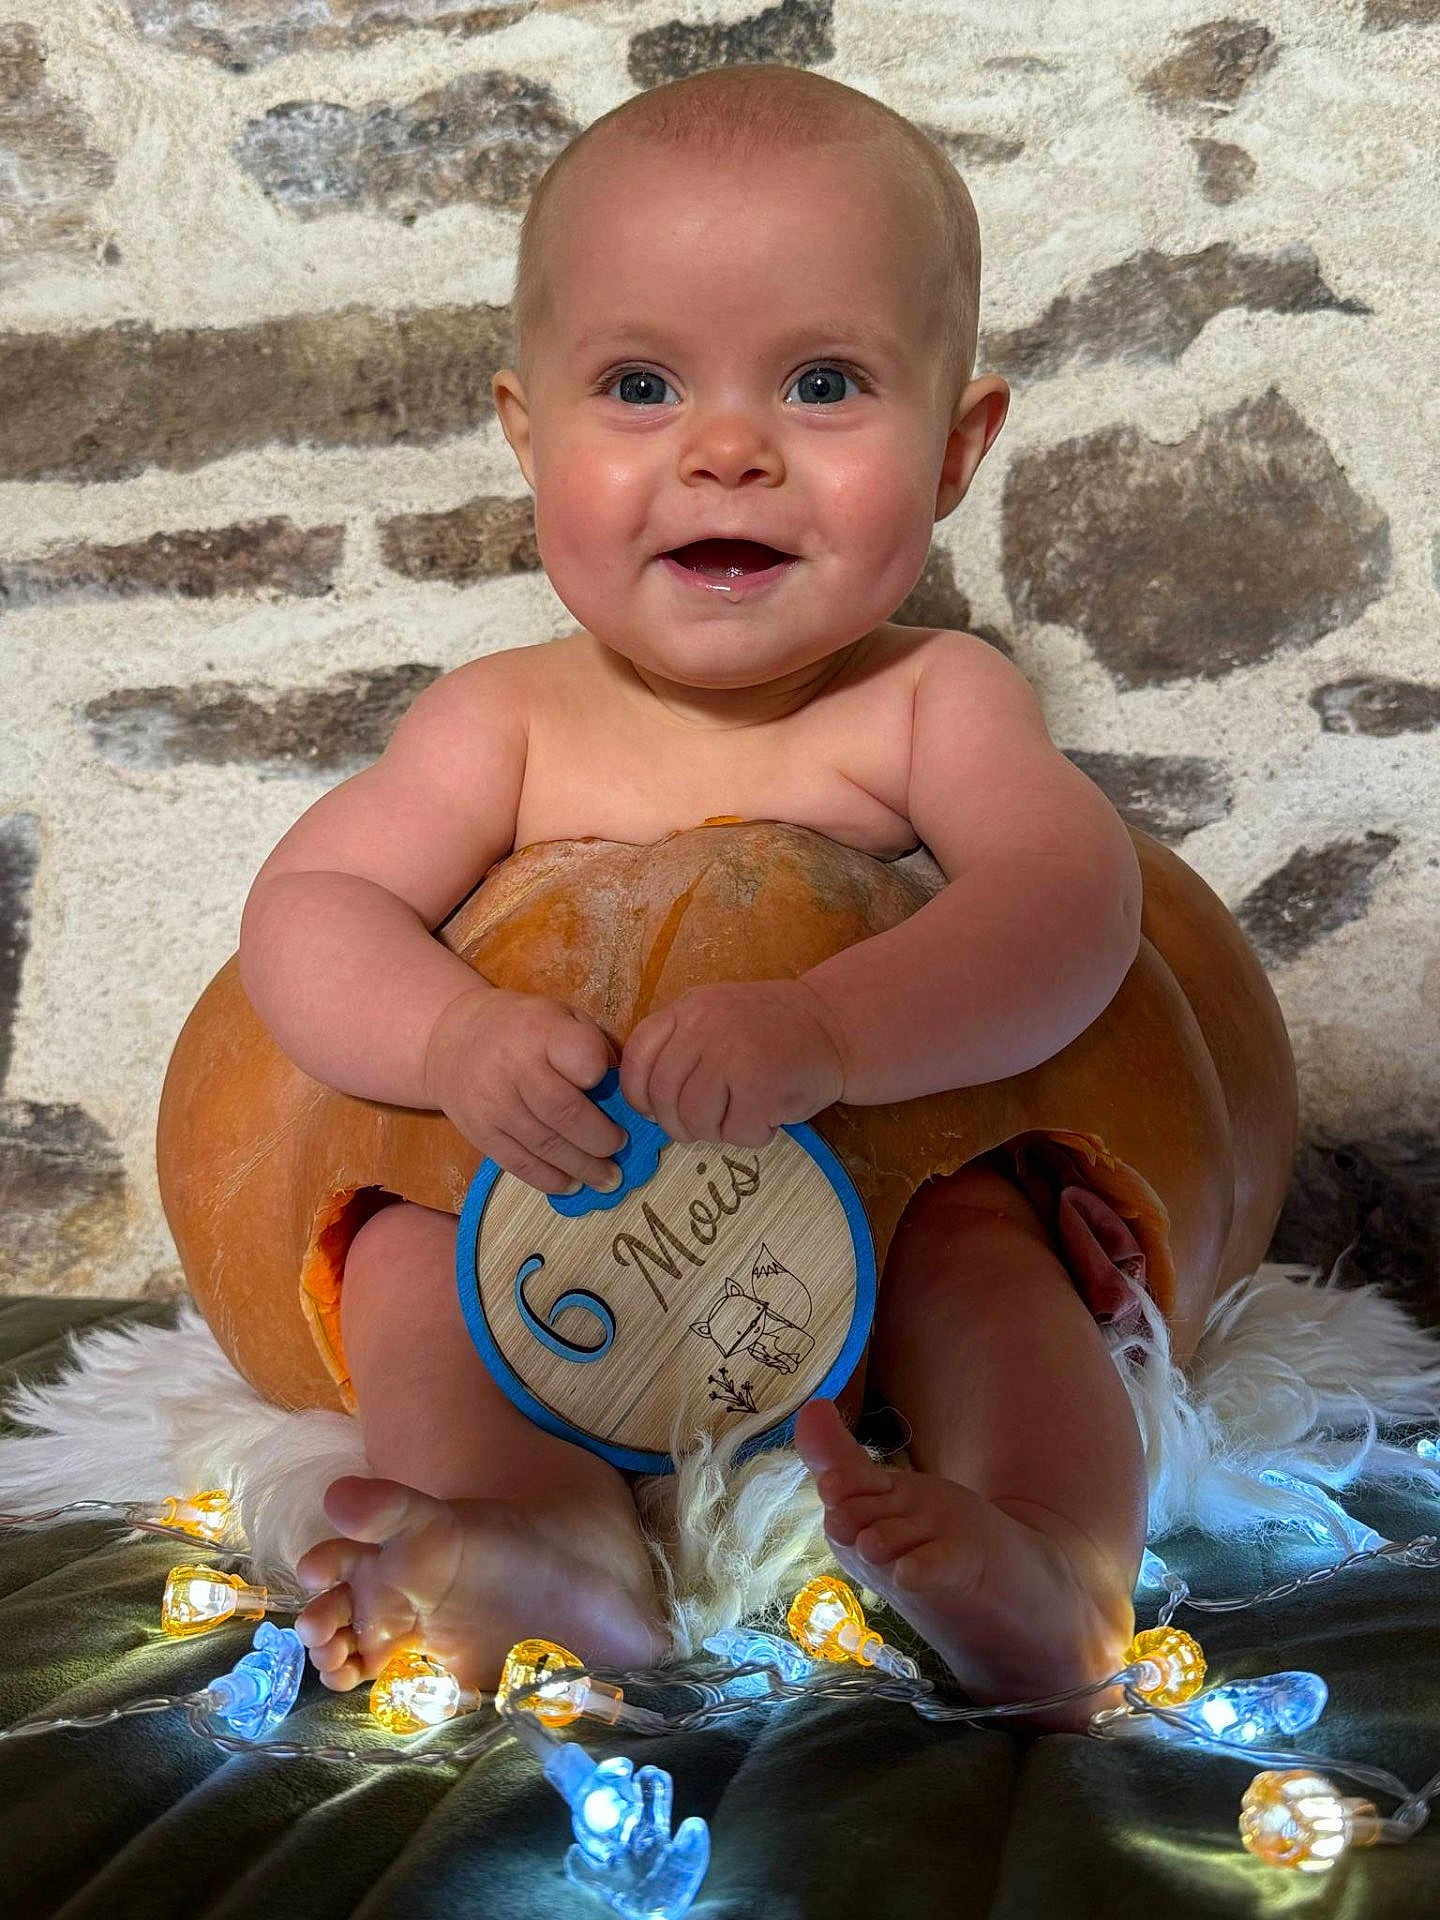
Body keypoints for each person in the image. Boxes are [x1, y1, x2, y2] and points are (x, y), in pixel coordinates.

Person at [237, 64, 1151, 1731]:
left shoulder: (933, 702)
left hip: (860, 1217)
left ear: (958, 447)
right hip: (552, 1229)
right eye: (641, 385)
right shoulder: (500, 722)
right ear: (529, 435)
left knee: (982, 1237)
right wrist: (450, 1040)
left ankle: (1049, 1558)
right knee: (401, 1246)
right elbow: (311, 909)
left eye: (824, 384)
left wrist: (833, 1027)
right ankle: (544, 1532)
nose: (729, 452)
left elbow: (1068, 903)